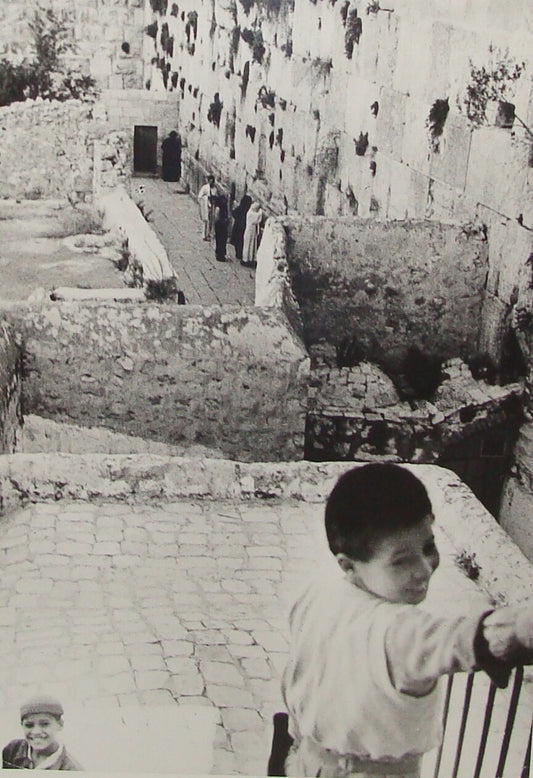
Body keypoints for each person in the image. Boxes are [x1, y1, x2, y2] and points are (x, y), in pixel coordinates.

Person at [280, 463, 533, 778]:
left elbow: (293, 681)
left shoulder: (315, 595)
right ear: (349, 565)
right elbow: (462, 639)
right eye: (401, 561)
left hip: (306, 763)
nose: (424, 568)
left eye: (428, 547)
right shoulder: (399, 630)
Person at [3, 694, 83, 770]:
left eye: (44, 724)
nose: (36, 732)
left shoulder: (71, 770)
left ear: (60, 724)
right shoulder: (13, 750)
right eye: (29, 725)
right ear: (22, 725)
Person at [229, 195, 252, 262]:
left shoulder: (240, 208)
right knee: (242, 241)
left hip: (237, 227)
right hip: (244, 227)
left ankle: (238, 253)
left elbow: (233, 213)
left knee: (237, 241)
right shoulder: (248, 210)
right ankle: (241, 253)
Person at [242, 201, 263, 267]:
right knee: (248, 245)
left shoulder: (251, 212)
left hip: (252, 231)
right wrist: (260, 212)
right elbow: (258, 220)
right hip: (250, 231)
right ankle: (246, 259)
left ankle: (249, 258)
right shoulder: (251, 213)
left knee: (251, 245)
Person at [198, 175, 216, 241]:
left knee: (211, 221)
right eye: (210, 181)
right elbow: (200, 197)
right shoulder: (204, 188)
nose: (211, 183)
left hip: (212, 207)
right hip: (205, 206)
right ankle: (204, 235)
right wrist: (206, 199)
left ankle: (209, 234)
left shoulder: (214, 189)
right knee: (205, 220)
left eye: (212, 181)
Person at [213, 194, 229, 262]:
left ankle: (222, 254)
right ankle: (219, 255)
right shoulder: (218, 208)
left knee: (223, 241)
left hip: (223, 226)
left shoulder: (224, 207)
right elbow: (216, 218)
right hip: (220, 226)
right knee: (220, 241)